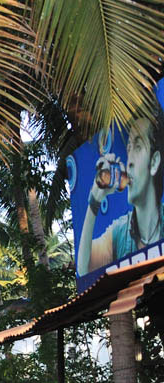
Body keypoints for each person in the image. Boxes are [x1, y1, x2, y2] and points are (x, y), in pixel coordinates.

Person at [77, 109, 164, 276]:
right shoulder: (120, 231)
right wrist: (95, 200)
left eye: (137, 147)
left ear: (154, 162)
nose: (129, 161)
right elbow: (83, 269)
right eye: (128, 148)